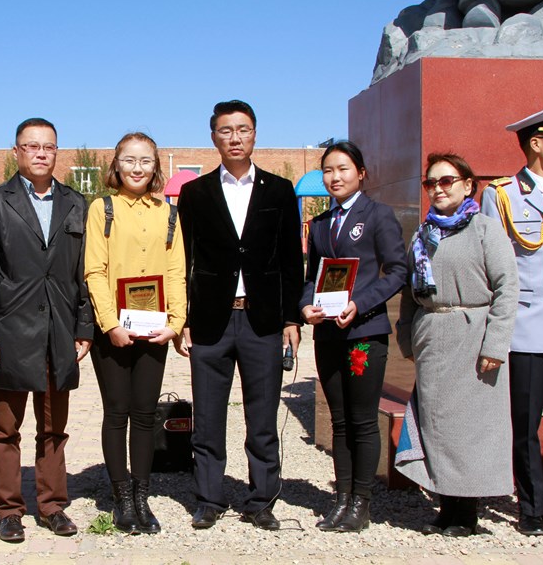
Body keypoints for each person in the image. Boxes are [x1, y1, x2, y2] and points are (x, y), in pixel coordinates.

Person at [176, 100, 303, 531]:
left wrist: (291, 319)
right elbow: (184, 259)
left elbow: (291, 259)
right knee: (208, 417)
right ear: (214, 136)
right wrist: (184, 318)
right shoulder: (195, 193)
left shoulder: (279, 190)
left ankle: (261, 499)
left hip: (261, 320)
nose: (235, 137)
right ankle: (208, 498)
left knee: (262, 417)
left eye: (243, 129)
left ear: (254, 134)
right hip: (210, 320)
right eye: (226, 130)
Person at [0, 118, 94, 543]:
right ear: (17, 152)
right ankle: (9, 510)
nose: (41, 153)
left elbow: (84, 272)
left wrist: (84, 326)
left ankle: (52, 505)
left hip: (59, 330)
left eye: (49, 147)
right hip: (10, 330)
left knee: (53, 428)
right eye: (32, 146)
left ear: (56, 152)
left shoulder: (76, 203)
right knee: (5, 429)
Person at [397, 153, 518, 536]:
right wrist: (407, 335)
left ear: (467, 185)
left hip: (473, 337)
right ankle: (446, 507)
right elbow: (409, 292)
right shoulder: (422, 236)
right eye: (430, 182)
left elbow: (507, 287)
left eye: (446, 181)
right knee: (437, 425)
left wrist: (495, 344)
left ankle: (466, 513)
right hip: (433, 338)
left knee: (470, 427)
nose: (438, 188)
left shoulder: (486, 230)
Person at [301, 141, 407, 532]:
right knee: (340, 421)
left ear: (361, 173)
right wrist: (305, 306)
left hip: (364, 331)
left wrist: (360, 304)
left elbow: (398, 271)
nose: (335, 177)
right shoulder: (320, 224)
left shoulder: (378, 215)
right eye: (328, 170)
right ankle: (341, 498)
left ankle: (361, 502)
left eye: (343, 169)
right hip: (327, 333)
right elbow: (310, 277)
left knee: (362, 420)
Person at [84, 132, 186, 534]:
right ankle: (122, 498)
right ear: (116, 164)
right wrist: (110, 324)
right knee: (117, 412)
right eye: (129, 160)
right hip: (113, 331)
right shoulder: (102, 209)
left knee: (145, 414)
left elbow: (176, 271)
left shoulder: (169, 213)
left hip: (154, 328)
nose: (137, 168)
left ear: (156, 166)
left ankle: (143, 497)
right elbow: (95, 270)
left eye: (145, 161)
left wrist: (175, 324)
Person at [481, 106, 543, 536]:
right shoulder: (503, 194)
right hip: (526, 328)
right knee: (525, 426)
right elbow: (495, 263)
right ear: (536, 144)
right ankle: (532, 507)